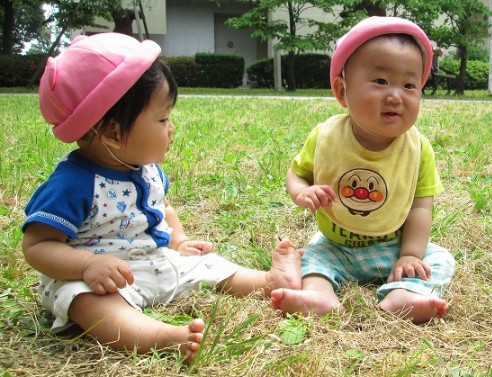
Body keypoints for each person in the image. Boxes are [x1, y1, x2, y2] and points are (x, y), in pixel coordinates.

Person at [21, 33, 302, 363]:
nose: (171, 128)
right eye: (162, 118)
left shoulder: (145, 169)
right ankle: (156, 336)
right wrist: (87, 265)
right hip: (98, 279)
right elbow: (37, 246)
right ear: (112, 132)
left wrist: (179, 240)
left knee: (206, 264)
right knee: (85, 301)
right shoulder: (73, 183)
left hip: (155, 262)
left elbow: (162, 207)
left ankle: (268, 282)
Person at [271, 16, 456, 323]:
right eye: (381, 81)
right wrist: (303, 191)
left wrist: (409, 254)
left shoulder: (417, 149)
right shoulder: (326, 137)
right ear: (342, 91)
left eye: (410, 85)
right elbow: (297, 174)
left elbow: (421, 207)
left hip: (392, 248)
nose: (396, 95)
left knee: (439, 258)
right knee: (311, 259)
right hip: (335, 245)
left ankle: (403, 293)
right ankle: (319, 295)